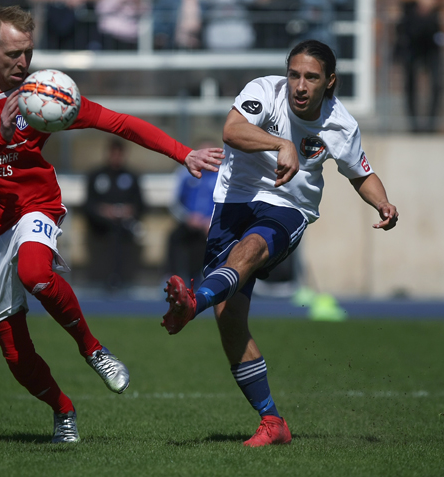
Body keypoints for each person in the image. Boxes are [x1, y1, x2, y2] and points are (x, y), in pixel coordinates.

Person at [0, 6, 223, 444]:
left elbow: (119, 123)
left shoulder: (46, 92)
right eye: (13, 54)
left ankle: (93, 349)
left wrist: (182, 153)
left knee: (35, 272)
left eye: (28, 53)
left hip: (33, 205)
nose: (23, 64)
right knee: (16, 353)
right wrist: (0, 140)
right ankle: (63, 409)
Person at [162, 39, 399, 447]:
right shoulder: (263, 91)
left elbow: (361, 172)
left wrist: (384, 203)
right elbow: (232, 131)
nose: (300, 85)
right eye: (294, 75)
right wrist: (280, 143)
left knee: (250, 250)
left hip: (289, 206)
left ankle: (192, 304)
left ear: (330, 82)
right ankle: (273, 422)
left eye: (311, 77)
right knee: (230, 318)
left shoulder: (339, 124)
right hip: (233, 201)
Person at [83, 139, 145, 291]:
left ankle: (117, 279)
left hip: (125, 225)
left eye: (119, 154)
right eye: (113, 153)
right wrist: (103, 211)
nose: (116, 157)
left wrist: (129, 211)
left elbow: (141, 205)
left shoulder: (132, 176)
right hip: (100, 224)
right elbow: (88, 205)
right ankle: (109, 279)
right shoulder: (96, 175)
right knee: (112, 231)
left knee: (120, 231)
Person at [165, 140, 218, 288]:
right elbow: (174, 203)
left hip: (211, 226)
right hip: (188, 224)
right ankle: (173, 280)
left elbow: (228, 204)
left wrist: (211, 221)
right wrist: (187, 218)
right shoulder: (184, 174)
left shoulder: (223, 177)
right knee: (174, 237)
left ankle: (209, 282)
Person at [393, 0, 444, 133]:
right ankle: (413, 124)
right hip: (412, 48)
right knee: (410, 85)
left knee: (437, 84)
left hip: (431, 48)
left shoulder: (434, 14)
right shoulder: (408, 11)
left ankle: (431, 125)